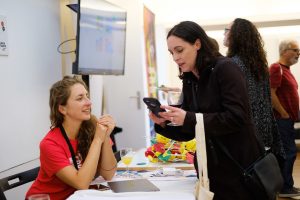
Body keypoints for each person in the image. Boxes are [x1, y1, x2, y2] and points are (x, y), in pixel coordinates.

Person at [149, 21, 262, 200]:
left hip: (239, 166)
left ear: (197, 44)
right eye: (172, 53)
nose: (175, 58)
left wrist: (189, 118)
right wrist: (163, 123)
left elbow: (237, 117)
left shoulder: (225, 68)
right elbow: (189, 131)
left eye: (179, 50)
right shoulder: (189, 78)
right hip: (211, 169)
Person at [26, 76, 117, 200]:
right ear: (62, 109)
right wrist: (97, 140)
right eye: (80, 98)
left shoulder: (92, 125)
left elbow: (108, 174)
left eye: (87, 96)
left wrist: (105, 137)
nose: (89, 102)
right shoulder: (49, 144)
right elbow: (82, 183)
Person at [223, 18, 285, 162]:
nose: (224, 34)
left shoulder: (232, 64)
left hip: (244, 133)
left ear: (236, 34)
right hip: (262, 132)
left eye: (227, 30)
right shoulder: (258, 65)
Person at [269, 39, 300, 197]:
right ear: (284, 51)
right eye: (295, 50)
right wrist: (283, 113)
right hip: (282, 119)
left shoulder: (286, 69)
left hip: (287, 119)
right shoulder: (276, 68)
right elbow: (271, 92)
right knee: (289, 152)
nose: (298, 53)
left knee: (287, 152)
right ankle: (285, 188)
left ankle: (287, 185)